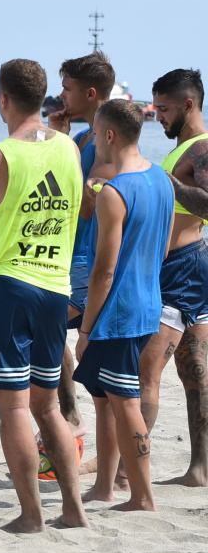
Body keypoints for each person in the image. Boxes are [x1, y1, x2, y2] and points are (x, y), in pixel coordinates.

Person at [0, 59, 89, 533]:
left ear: (3, 99)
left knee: (13, 408)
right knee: (48, 407)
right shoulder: (69, 148)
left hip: (8, 287)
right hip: (55, 287)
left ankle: (32, 516)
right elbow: (78, 206)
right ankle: (74, 511)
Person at [73, 99, 173, 510]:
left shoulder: (113, 193)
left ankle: (143, 496)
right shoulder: (162, 178)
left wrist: (85, 329)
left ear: (110, 135)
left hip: (119, 313)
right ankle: (104, 487)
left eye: (96, 134)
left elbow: (103, 273)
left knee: (126, 402)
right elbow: (162, 249)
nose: (94, 141)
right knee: (104, 400)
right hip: (149, 303)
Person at [139, 68, 208, 487]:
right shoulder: (185, 148)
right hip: (191, 266)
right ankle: (199, 470)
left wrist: (174, 188)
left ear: (188, 104)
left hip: (181, 268)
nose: (158, 116)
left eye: (163, 109)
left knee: (145, 369)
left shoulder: (202, 147)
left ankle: (125, 470)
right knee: (195, 371)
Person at [46, 52, 117, 443]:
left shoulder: (109, 140)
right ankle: (71, 415)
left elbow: (88, 202)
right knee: (51, 332)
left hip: (91, 259)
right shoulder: (81, 138)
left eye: (67, 89)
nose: (61, 96)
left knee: (52, 329)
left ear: (90, 93)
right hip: (70, 254)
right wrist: (59, 139)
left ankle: (73, 417)